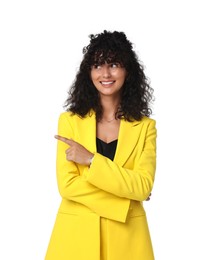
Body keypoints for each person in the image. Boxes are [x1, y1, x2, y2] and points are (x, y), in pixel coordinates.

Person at [45, 30, 157, 260]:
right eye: (97, 65)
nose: (105, 73)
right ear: (89, 72)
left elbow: (143, 186)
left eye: (114, 64)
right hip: (75, 239)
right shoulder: (69, 121)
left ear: (128, 70)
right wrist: (126, 197)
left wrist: (91, 160)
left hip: (128, 241)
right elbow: (67, 186)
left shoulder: (146, 127)